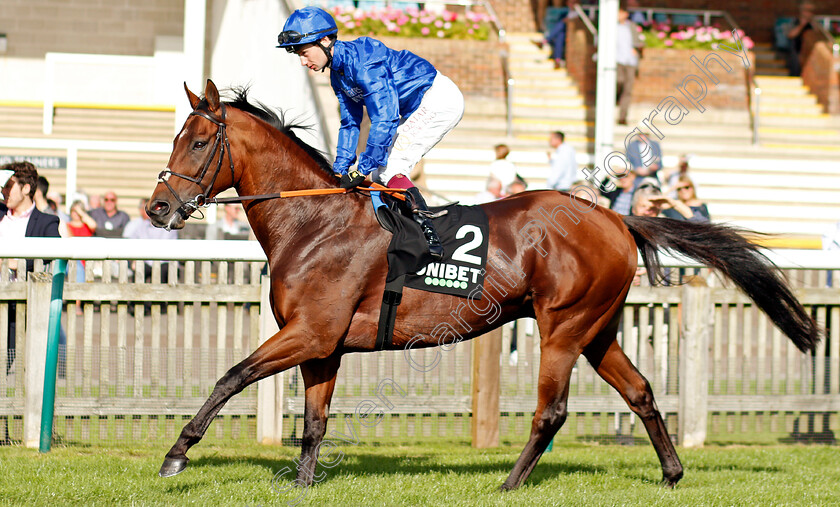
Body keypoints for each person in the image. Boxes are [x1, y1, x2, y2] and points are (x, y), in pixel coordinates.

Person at [277, 6, 465, 261]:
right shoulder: (338, 76)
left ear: (324, 40)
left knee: (390, 167)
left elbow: (384, 118)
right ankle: (400, 233)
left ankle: (428, 235)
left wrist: (361, 167)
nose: (303, 61)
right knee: (380, 171)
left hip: (438, 99)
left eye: (304, 52)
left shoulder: (365, 64)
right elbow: (350, 123)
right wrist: (341, 167)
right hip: (418, 105)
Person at [0, 161, 61, 373]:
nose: (4, 190)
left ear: (26, 188)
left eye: (8, 185)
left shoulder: (47, 222)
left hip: (26, 303)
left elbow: (55, 256)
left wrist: (20, 263)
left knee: (30, 368)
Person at [123, 198, 179, 283]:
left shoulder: (168, 225)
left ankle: (161, 295)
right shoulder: (142, 224)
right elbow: (131, 242)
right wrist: (134, 260)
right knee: (139, 268)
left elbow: (164, 248)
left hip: (164, 261)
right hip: (146, 260)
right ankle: (136, 294)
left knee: (163, 271)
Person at [66, 200, 97, 313]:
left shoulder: (87, 226)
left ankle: (77, 302)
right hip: (71, 261)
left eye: (78, 211)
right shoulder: (66, 225)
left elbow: (93, 225)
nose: (76, 214)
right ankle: (76, 303)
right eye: (74, 211)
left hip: (85, 261)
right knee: (76, 267)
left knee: (79, 268)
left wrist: (81, 212)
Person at [616, 6, 643, 126]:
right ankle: (616, 99)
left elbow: (638, 41)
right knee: (619, 81)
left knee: (628, 89)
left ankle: (623, 116)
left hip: (630, 61)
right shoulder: (611, 26)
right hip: (617, 60)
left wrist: (636, 48)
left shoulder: (631, 26)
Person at [785, 1, 815, 77]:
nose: (808, 13)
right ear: (801, 11)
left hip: (809, 54)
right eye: (806, 10)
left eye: (810, 11)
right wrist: (802, 25)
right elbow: (790, 35)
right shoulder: (794, 22)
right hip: (796, 52)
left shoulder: (814, 24)